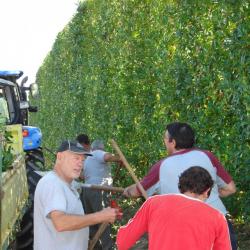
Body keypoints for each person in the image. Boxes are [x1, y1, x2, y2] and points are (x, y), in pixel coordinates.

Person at [123, 122, 237, 250]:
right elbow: (230, 188)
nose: (165, 142)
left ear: (173, 142)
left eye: (165, 139)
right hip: (220, 223)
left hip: (186, 230)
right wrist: (211, 193)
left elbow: (136, 192)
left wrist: (127, 191)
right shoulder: (207, 156)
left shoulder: (161, 166)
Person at [116, 166, 231, 250]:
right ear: (207, 191)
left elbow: (122, 242)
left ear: (180, 186)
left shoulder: (153, 203)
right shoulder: (217, 217)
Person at [34, 140, 120, 250]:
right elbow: (61, 223)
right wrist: (100, 216)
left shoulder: (66, 185)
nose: (80, 163)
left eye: (82, 159)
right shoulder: (53, 183)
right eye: (75, 158)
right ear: (60, 157)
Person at [81, 139, 121, 250]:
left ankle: (95, 246)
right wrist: (119, 158)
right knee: (104, 219)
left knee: (92, 220)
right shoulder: (97, 153)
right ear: (100, 148)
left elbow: (82, 176)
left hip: (87, 191)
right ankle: (108, 247)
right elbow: (107, 157)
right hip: (99, 190)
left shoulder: (87, 158)